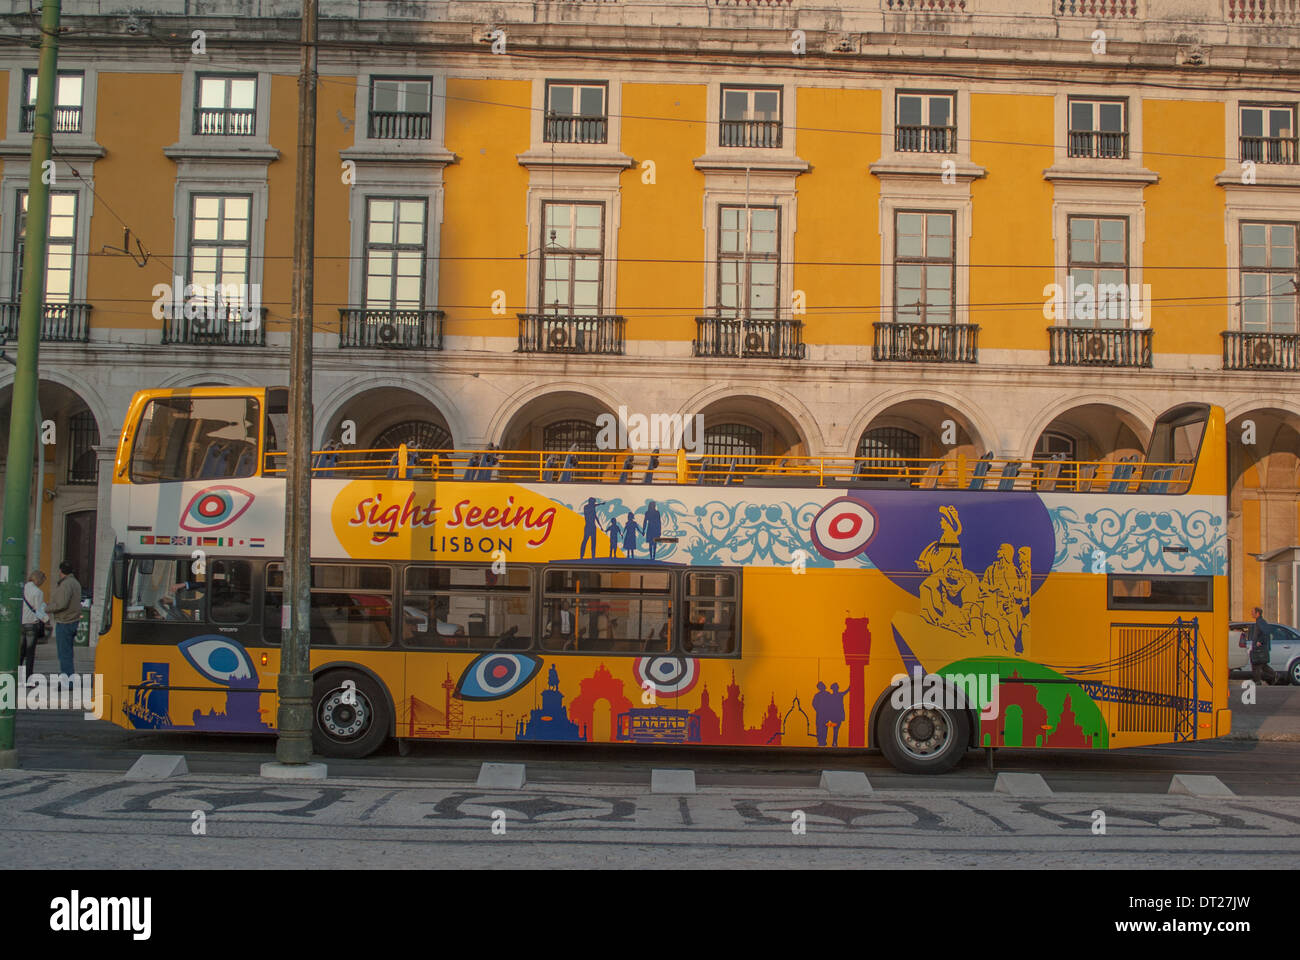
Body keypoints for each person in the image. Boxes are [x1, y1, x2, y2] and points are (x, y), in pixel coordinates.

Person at [44, 560, 83, 680]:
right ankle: (69, 679)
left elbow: (61, 603)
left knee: (64, 654)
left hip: (65, 621)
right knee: (68, 653)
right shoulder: (75, 583)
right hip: (73, 620)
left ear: (61, 571)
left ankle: (67, 681)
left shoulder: (66, 584)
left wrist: (47, 608)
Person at [20, 571, 51, 685]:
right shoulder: (38, 592)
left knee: (20, 653)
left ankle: (17, 678)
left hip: (20, 623)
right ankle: (28, 680)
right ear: (39, 580)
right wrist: (46, 619)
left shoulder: (22, 588)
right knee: (30, 654)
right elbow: (38, 611)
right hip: (31, 625)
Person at [1249, 606, 1276, 685]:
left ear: (1257, 613)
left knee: (1256, 664)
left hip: (1260, 648)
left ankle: (1257, 681)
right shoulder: (1259, 621)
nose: (1251, 614)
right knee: (1262, 665)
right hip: (1259, 648)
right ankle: (1275, 675)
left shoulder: (1261, 622)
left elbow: (1266, 632)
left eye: (1253, 612)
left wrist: (1259, 641)